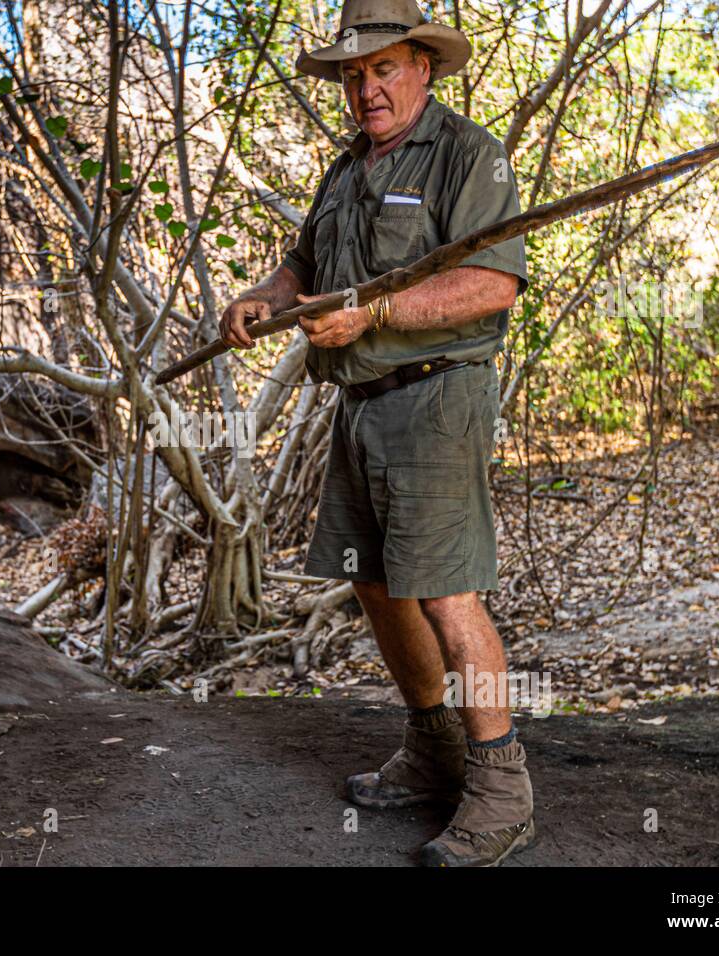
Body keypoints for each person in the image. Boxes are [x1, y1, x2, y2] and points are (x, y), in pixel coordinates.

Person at [219, 0, 534, 867]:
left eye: (383, 68)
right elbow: (307, 267)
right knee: (375, 585)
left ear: (424, 67)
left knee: (445, 591)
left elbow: (491, 286)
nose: (366, 89)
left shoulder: (469, 156)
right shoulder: (345, 170)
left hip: (437, 400)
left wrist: (377, 312)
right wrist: (265, 300)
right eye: (354, 74)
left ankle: (502, 789)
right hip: (359, 408)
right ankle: (433, 749)